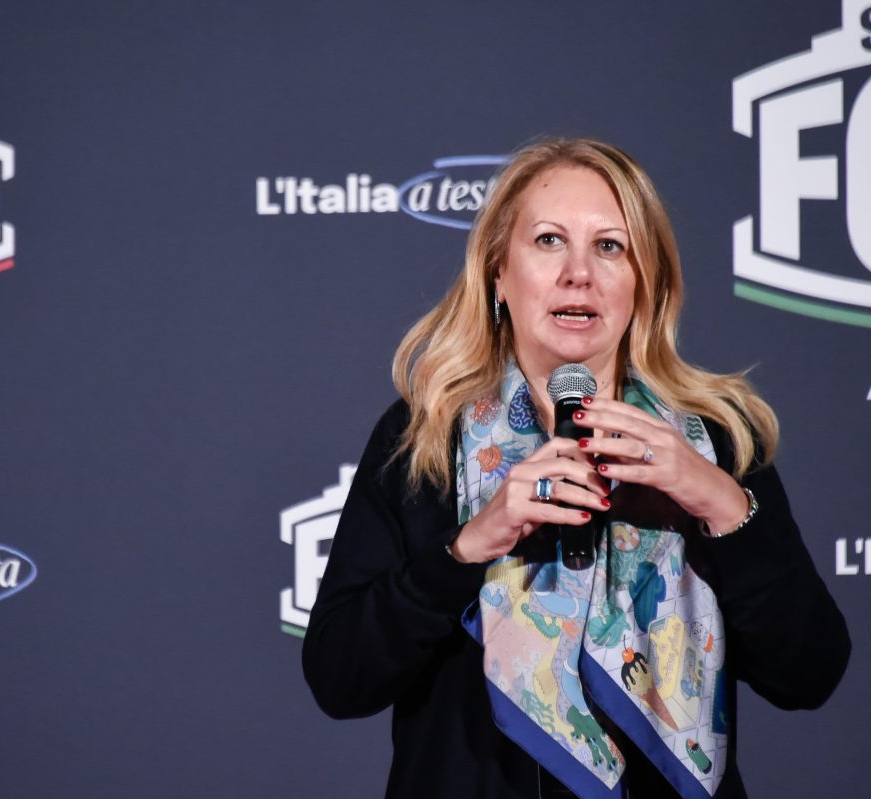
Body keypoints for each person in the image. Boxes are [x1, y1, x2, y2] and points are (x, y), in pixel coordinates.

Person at [302, 138, 849, 799]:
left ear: (645, 282)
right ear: (498, 274)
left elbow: (810, 674)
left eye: (610, 246)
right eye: (549, 241)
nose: (579, 273)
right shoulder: (423, 438)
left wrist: (721, 504)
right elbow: (340, 679)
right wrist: (466, 549)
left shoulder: (717, 441)